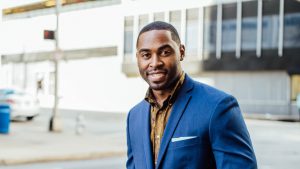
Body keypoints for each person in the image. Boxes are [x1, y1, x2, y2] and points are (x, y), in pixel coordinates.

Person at [126, 21, 257, 169]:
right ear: (137, 57)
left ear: (181, 52)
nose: (155, 63)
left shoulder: (218, 106)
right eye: (146, 55)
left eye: (165, 52)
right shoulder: (134, 117)